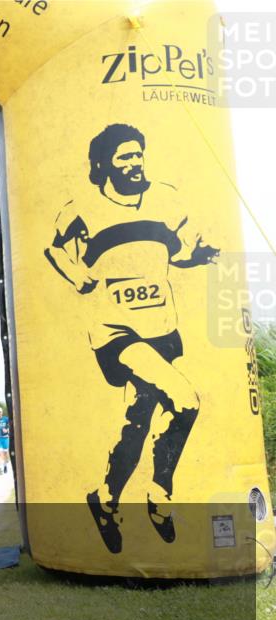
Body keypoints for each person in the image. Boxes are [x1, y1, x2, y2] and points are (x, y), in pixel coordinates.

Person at [44, 123, 216, 554]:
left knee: (136, 425)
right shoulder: (83, 206)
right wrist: (78, 275)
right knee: (187, 399)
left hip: (162, 327)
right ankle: (160, 496)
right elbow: (56, 248)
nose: (134, 162)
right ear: (103, 165)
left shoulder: (165, 199)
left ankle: (104, 500)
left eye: (138, 154)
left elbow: (175, 252)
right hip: (116, 331)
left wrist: (197, 257)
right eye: (124, 156)